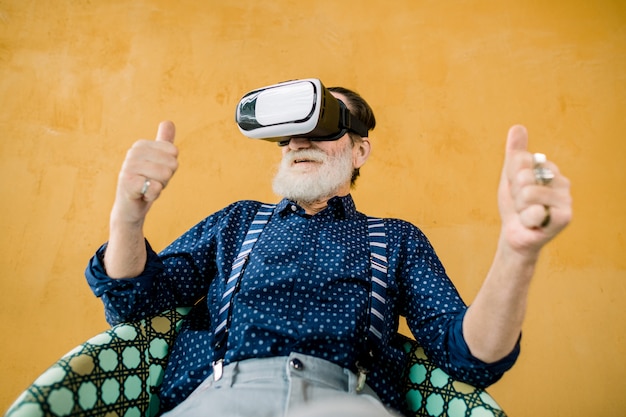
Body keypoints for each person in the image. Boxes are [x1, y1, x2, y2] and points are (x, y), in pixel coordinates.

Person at [86, 84, 572, 417]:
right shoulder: (236, 221)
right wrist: (128, 214)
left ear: (360, 151)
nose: (300, 139)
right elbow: (133, 301)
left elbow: (471, 358)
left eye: (323, 126)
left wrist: (517, 253)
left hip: (349, 403)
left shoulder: (397, 238)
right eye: (291, 129)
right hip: (221, 399)